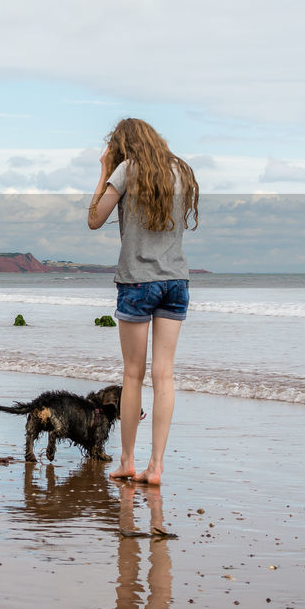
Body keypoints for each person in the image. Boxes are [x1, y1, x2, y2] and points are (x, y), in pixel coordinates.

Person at [87, 118, 198, 484]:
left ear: (122, 145)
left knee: (132, 375)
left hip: (137, 282)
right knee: (164, 375)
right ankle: (156, 467)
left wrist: (104, 169)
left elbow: (94, 219)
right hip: (176, 281)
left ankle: (128, 461)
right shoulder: (179, 171)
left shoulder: (125, 170)